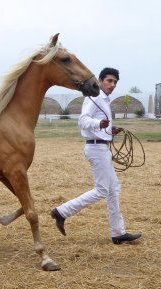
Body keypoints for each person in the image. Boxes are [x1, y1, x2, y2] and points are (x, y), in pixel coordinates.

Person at [51, 67, 142, 244]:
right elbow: (82, 121)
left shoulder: (104, 100)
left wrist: (109, 129)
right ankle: (62, 211)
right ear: (100, 81)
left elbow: (98, 125)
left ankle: (118, 233)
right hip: (96, 149)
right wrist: (100, 124)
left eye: (115, 82)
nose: (112, 84)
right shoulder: (94, 97)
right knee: (102, 190)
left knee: (114, 189)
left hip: (102, 147)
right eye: (109, 81)